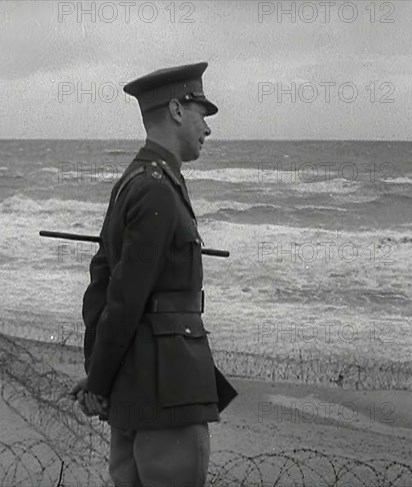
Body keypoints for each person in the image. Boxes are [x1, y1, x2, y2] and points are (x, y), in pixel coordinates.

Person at [69, 62, 238, 487]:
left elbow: (102, 286)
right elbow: (123, 299)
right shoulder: (157, 188)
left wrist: (99, 373)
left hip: (138, 387)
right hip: (169, 394)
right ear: (177, 110)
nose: (208, 127)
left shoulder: (137, 181)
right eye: (202, 111)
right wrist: (99, 382)